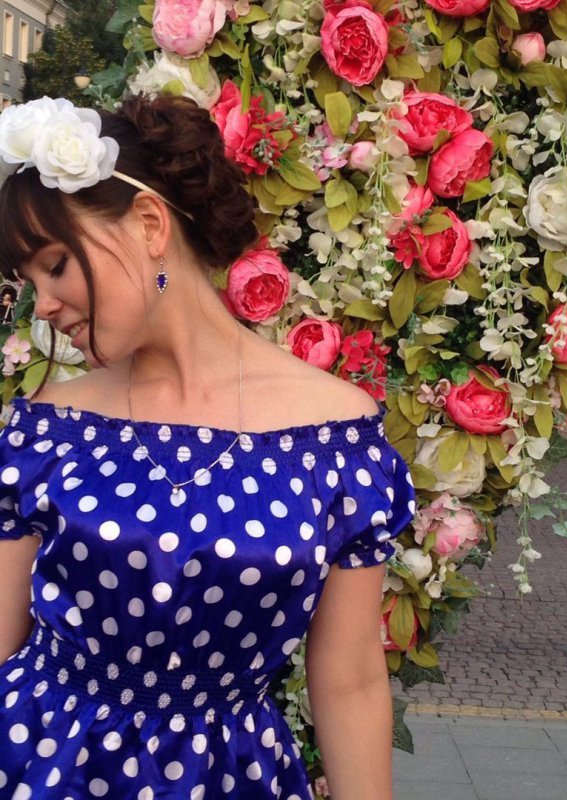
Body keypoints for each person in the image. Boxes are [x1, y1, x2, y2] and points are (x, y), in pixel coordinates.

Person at [0, 95, 415, 800]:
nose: (42, 305)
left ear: (149, 223)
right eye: (27, 283)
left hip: (230, 779)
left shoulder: (338, 440)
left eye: (57, 265)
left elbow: (349, 682)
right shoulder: (45, 432)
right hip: (40, 766)